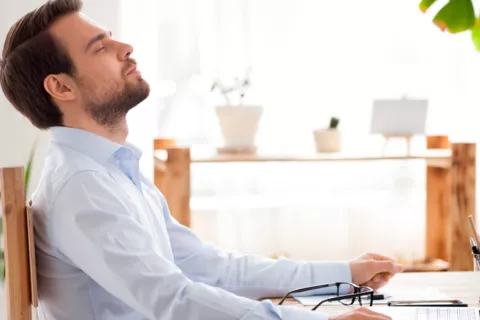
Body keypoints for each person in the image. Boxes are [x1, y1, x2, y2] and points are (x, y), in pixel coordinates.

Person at [0, 0, 403, 319]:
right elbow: (173, 301)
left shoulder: (108, 172)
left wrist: (343, 275)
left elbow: (212, 269)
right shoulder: (82, 187)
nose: (126, 48)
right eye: (101, 47)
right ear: (60, 86)